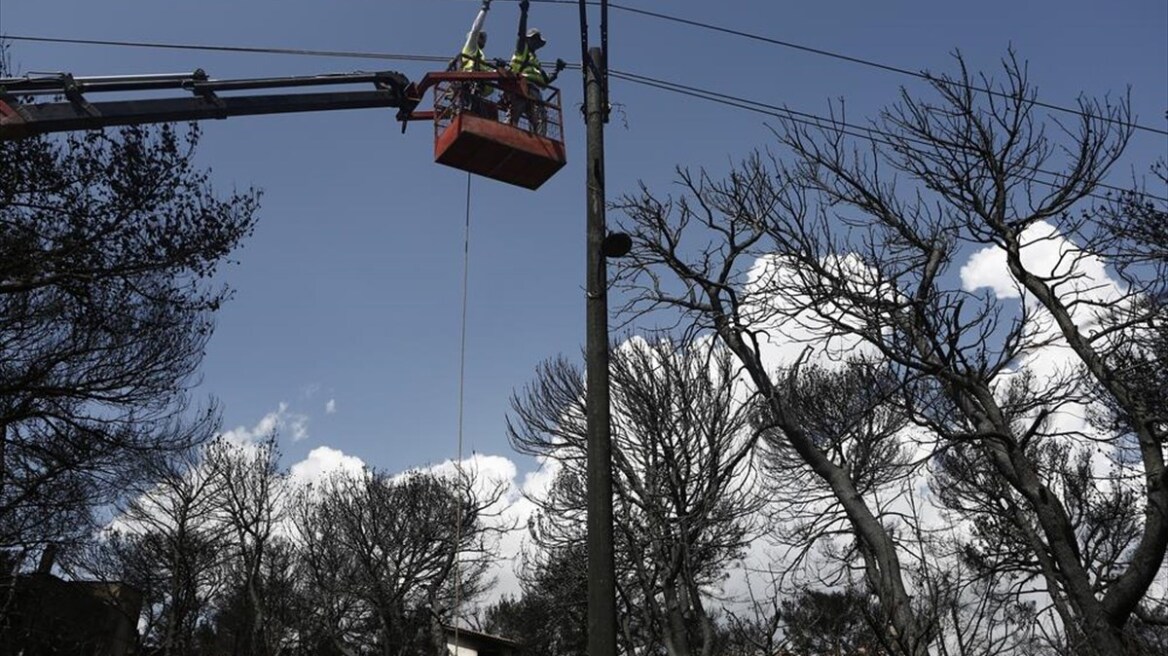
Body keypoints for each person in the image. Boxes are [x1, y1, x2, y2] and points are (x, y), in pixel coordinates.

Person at [508, 0, 565, 133]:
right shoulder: (522, 50)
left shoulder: (536, 62)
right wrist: (524, 13)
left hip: (535, 92)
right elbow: (521, 34)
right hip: (521, 88)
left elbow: (545, 81)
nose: (536, 42)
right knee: (515, 113)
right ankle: (509, 132)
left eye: (537, 40)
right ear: (528, 40)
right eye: (534, 39)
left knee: (541, 117)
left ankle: (541, 139)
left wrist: (557, 70)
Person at [456, 0, 495, 115]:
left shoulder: (480, 55)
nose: (484, 41)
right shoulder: (470, 47)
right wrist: (484, 9)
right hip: (469, 81)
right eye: (482, 38)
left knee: (482, 112)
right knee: (472, 106)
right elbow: (475, 29)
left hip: (478, 86)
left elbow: (488, 71)